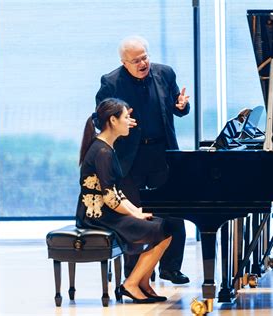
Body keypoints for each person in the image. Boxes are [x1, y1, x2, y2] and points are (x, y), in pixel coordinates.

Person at [95, 35, 191, 284]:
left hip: (162, 152)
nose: (142, 63)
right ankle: (135, 274)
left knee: (173, 210)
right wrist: (117, 121)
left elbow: (178, 107)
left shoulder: (165, 73)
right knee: (133, 216)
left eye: (145, 57)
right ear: (124, 62)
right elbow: (99, 120)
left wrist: (181, 106)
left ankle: (171, 268)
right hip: (130, 158)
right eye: (136, 60)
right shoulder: (111, 82)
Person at [76, 98, 172, 303]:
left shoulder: (106, 147)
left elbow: (116, 192)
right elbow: (110, 198)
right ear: (113, 120)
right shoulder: (102, 151)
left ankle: (142, 283)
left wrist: (137, 211)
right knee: (164, 231)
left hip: (106, 213)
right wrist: (135, 213)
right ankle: (131, 284)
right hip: (98, 217)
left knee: (162, 225)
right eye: (126, 117)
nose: (130, 121)